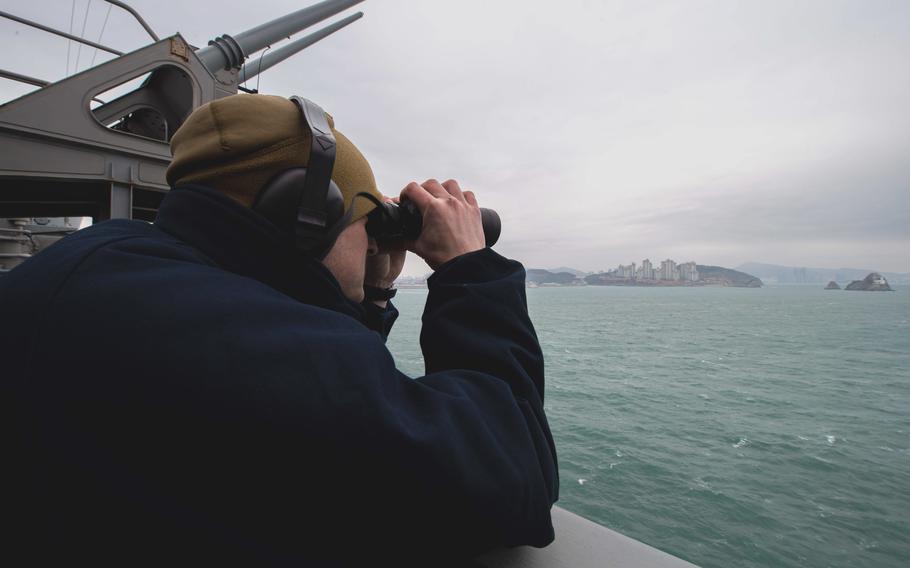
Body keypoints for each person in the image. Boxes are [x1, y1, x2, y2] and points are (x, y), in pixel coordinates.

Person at [1, 94, 558, 565]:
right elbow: (513, 476)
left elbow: (320, 409)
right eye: (367, 225)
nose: (373, 243)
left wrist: (372, 296)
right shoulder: (224, 341)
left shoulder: (116, 266)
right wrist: (469, 270)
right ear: (302, 215)